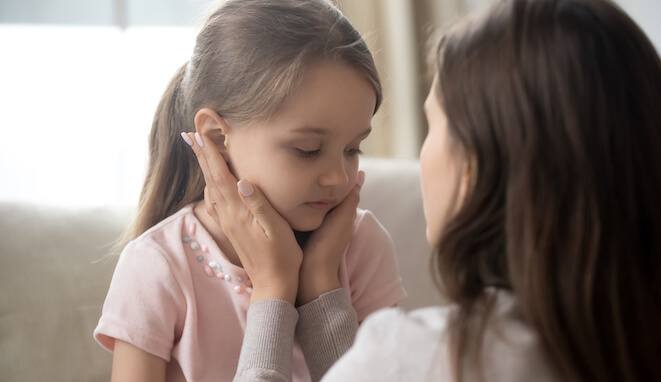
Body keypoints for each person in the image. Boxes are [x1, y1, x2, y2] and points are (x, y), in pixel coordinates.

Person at [188, 0, 661, 381]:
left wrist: (274, 291)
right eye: (310, 149)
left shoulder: (420, 358)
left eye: (433, 126)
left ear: (474, 166)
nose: (340, 176)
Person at [93, 1, 407, 380]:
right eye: (307, 150)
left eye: (352, 149)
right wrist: (274, 291)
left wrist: (322, 285)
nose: (338, 178)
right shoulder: (158, 266)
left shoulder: (360, 245)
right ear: (216, 136)